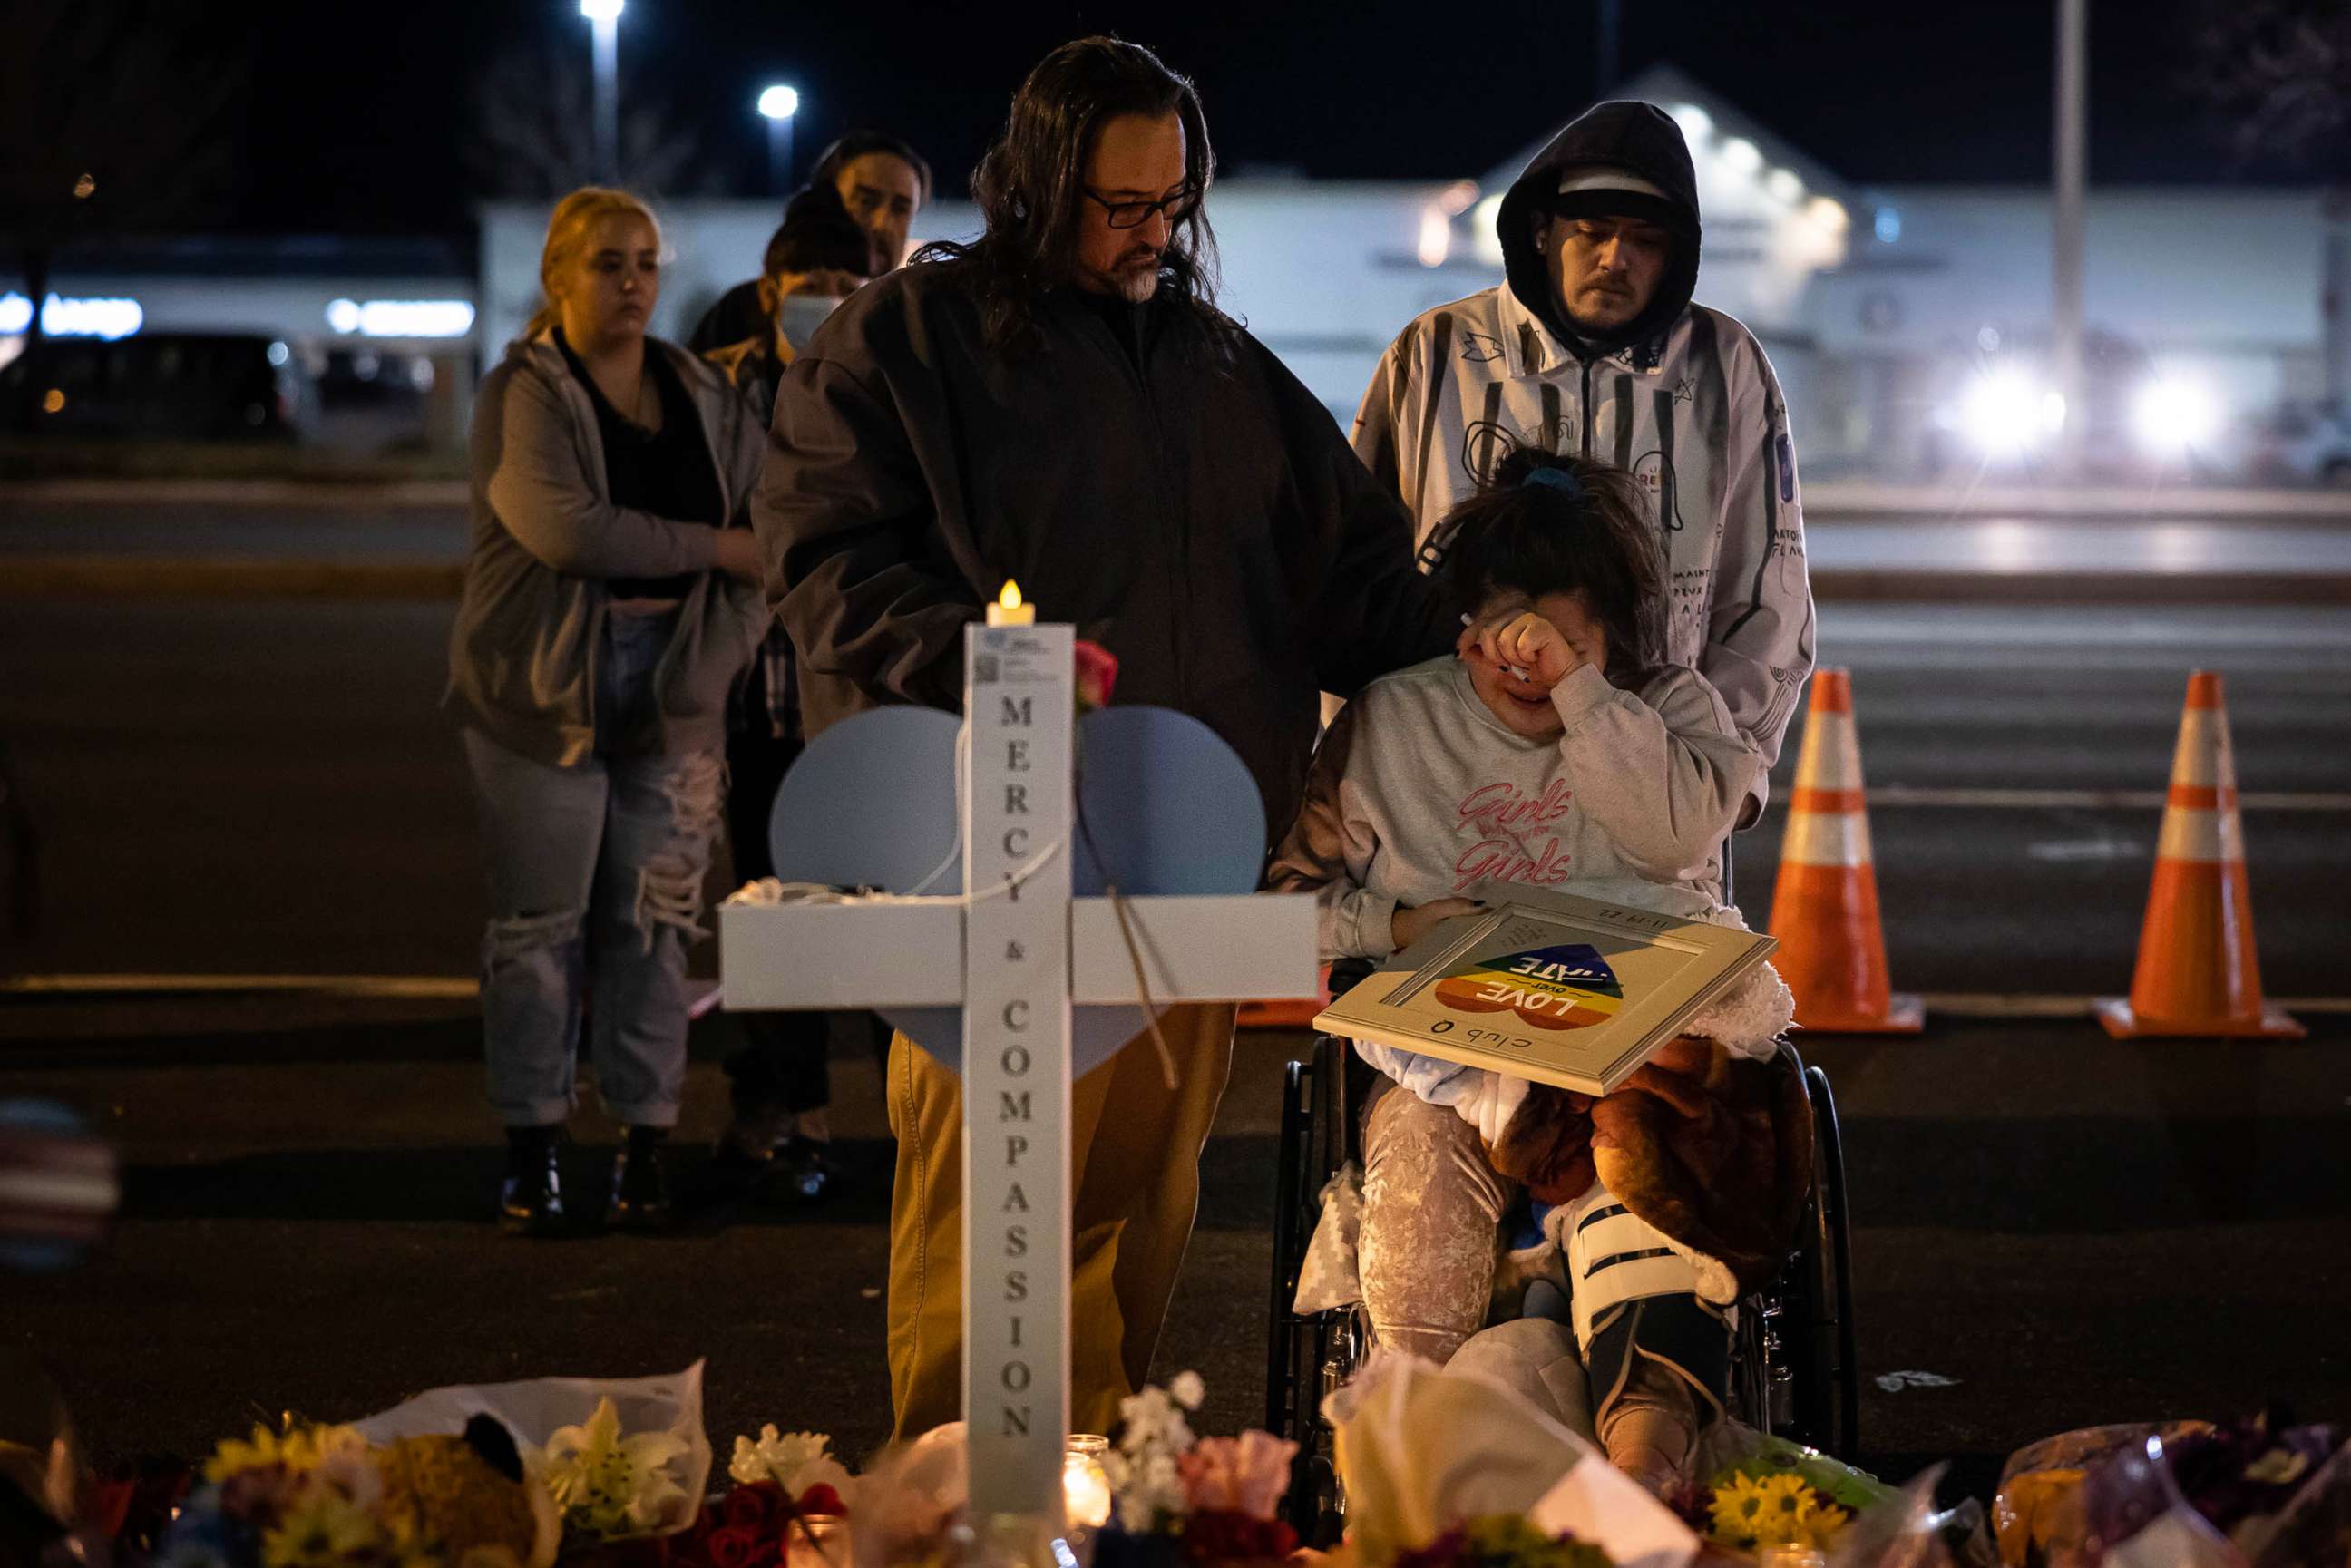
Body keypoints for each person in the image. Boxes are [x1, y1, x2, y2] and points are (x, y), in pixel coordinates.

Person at [754, 36, 1451, 1437]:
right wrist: (990, 666)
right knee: (993, 1232)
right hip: (990, 864)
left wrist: (1499, 619)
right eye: (1118, 206)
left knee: (1140, 1211)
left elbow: (1355, 581)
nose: (1151, 236)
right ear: (1032, 184)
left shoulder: (1221, 369)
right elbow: (824, 563)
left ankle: (1087, 1489)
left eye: (1171, 206)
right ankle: (957, 1507)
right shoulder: (908, 341)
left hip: (1192, 870)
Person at [1267, 447, 1804, 1493]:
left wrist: (1588, 698)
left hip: (1633, 1058)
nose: (1519, 663)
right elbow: (1284, 908)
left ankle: (1648, 1474)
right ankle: (1418, 1478)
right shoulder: (1392, 720)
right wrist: (1400, 919)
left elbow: (1664, 837)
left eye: (1558, 637)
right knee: (1419, 1181)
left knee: (1649, 1160)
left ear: (1611, 635)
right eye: (1496, 634)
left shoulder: (1671, 707)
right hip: (1451, 1064)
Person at [447, 187, 769, 1237]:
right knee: (538, 931)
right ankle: (533, 1148)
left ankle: (643, 1144)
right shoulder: (523, 391)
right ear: (557, 278)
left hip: (674, 685)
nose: (631, 283)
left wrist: (710, 670)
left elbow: (768, 538)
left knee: (652, 929)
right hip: (542, 692)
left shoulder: (702, 393)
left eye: (644, 264)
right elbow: (568, 532)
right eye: (606, 265)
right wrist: (711, 547)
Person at [1353, 101, 1815, 823]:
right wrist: (1367, 758)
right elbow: (1358, 575)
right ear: (1542, 232)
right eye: (1592, 232)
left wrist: (1717, 774)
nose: (1615, 259)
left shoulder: (1728, 369)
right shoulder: (1434, 355)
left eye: (1644, 240)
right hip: (1451, 785)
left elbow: (1768, 595)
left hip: (1653, 778)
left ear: (1675, 254)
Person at [702, 185, 873, 1203]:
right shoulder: (722, 390)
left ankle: (911, 1117)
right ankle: (790, 1116)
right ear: (771, 288)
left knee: (886, 914)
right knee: (776, 911)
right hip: (755, 696)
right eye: (811, 284)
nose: (827, 300)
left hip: (851, 703)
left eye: (846, 284)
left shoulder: (884, 382)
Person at [688, 130, 931, 355]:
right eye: (866, 202)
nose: (882, 224)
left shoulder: (917, 324)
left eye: (900, 209)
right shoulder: (743, 313)